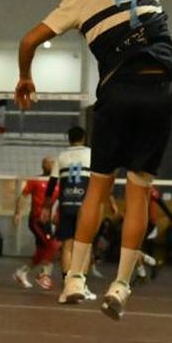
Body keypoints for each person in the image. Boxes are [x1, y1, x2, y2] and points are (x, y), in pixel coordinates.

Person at [14, 0, 172, 321]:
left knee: (98, 189)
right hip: (159, 91)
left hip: (117, 93)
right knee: (139, 194)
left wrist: (25, 77)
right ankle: (120, 286)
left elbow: (27, 41)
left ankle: (73, 279)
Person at [54, 126, 97, 300]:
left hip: (66, 204)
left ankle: (67, 285)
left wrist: (47, 206)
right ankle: (81, 285)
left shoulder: (62, 156)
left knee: (67, 245)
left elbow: (52, 183)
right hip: (84, 206)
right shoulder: (90, 154)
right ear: (84, 138)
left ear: (68, 139)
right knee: (85, 246)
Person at [13, 156, 60, 289]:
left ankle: (21, 272)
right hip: (36, 220)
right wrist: (17, 213)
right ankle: (44, 275)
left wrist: (57, 214)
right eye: (47, 162)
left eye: (52, 162)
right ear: (43, 165)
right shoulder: (35, 180)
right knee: (52, 246)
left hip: (47, 222)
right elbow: (22, 196)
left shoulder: (57, 184)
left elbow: (61, 200)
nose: (50, 164)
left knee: (41, 251)